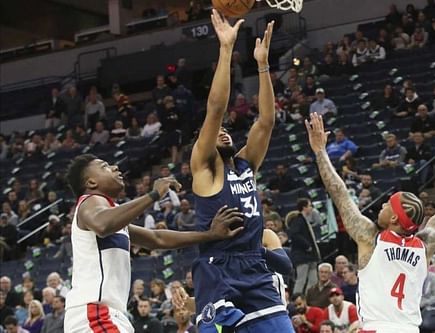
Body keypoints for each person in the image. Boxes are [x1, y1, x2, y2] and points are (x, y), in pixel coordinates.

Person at [305, 112, 435, 333]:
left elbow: (340, 194)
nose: (382, 205)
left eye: (387, 206)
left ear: (394, 219)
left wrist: (320, 152)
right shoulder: (424, 246)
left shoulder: (371, 238)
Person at [188, 11, 293, 333]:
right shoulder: (205, 169)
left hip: (255, 265)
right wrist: (225, 50)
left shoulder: (246, 164)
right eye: (216, 132)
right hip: (219, 269)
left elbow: (266, 122)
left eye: (227, 130)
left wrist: (262, 64)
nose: (223, 132)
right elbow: (216, 109)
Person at [63, 154, 242, 332]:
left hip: (108, 314)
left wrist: (210, 235)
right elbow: (102, 225)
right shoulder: (90, 202)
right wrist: (154, 194)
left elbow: (157, 238)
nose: (115, 167)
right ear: (92, 183)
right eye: (105, 167)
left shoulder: (114, 216)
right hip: (94, 313)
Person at [289, 198, 321, 294]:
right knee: (301, 279)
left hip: (311, 256)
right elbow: (294, 235)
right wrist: (307, 246)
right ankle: (296, 299)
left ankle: (309, 298)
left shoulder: (305, 220)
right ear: (304, 207)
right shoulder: (298, 220)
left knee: (313, 280)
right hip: (302, 255)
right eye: (310, 205)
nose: (311, 208)